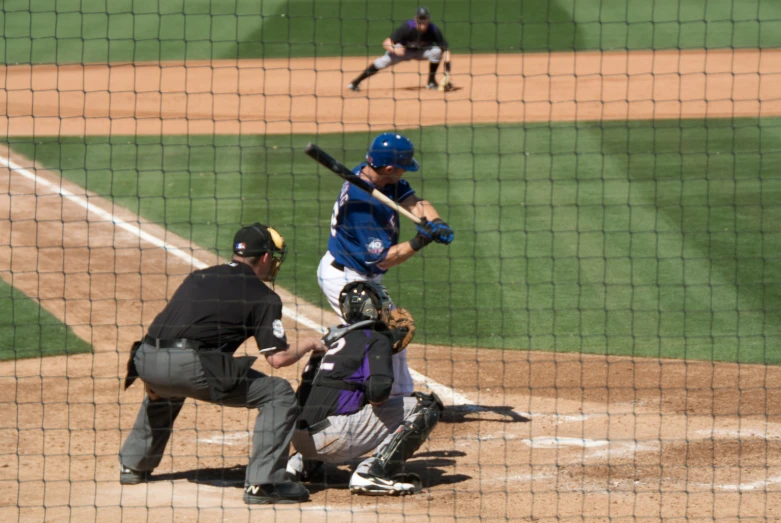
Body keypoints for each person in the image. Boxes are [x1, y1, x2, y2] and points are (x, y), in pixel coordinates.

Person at [119, 223, 326, 505]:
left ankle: (133, 465)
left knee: (168, 387)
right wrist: (310, 343)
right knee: (278, 393)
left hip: (145, 358)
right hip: (187, 367)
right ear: (265, 257)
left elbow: (164, 328)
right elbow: (278, 359)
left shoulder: (199, 277)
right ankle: (264, 484)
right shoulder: (263, 296)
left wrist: (151, 378)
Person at [317, 131, 454, 398]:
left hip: (363, 275)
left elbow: (414, 202)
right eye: (403, 167)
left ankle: (399, 395)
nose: (405, 173)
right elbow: (385, 258)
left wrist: (436, 222)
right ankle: (360, 394)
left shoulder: (376, 175)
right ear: (390, 167)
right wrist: (420, 241)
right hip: (347, 279)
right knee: (380, 335)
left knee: (392, 332)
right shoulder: (364, 206)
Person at [288, 281, 443, 495]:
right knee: (426, 406)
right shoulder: (376, 338)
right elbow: (377, 394)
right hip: (333, 439)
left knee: (333, 396)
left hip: (299, 438)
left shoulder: (332, 337)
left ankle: (299, 465)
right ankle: (372, 473)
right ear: (374, 310)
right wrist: (385, 349)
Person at [348, 7, 451, 91]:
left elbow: (446, 50)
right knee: (382, 62)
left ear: (428, 19)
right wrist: (394, 49)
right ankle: (355, 82)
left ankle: (431, 82)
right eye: (420, 19)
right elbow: (386, 43)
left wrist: (447, 73)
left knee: (437, 51)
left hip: (420, 52)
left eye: (424, 19)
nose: (422, 22)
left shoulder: (433, 29)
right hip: (403, 52)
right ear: (415, 19)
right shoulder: (407, 28)